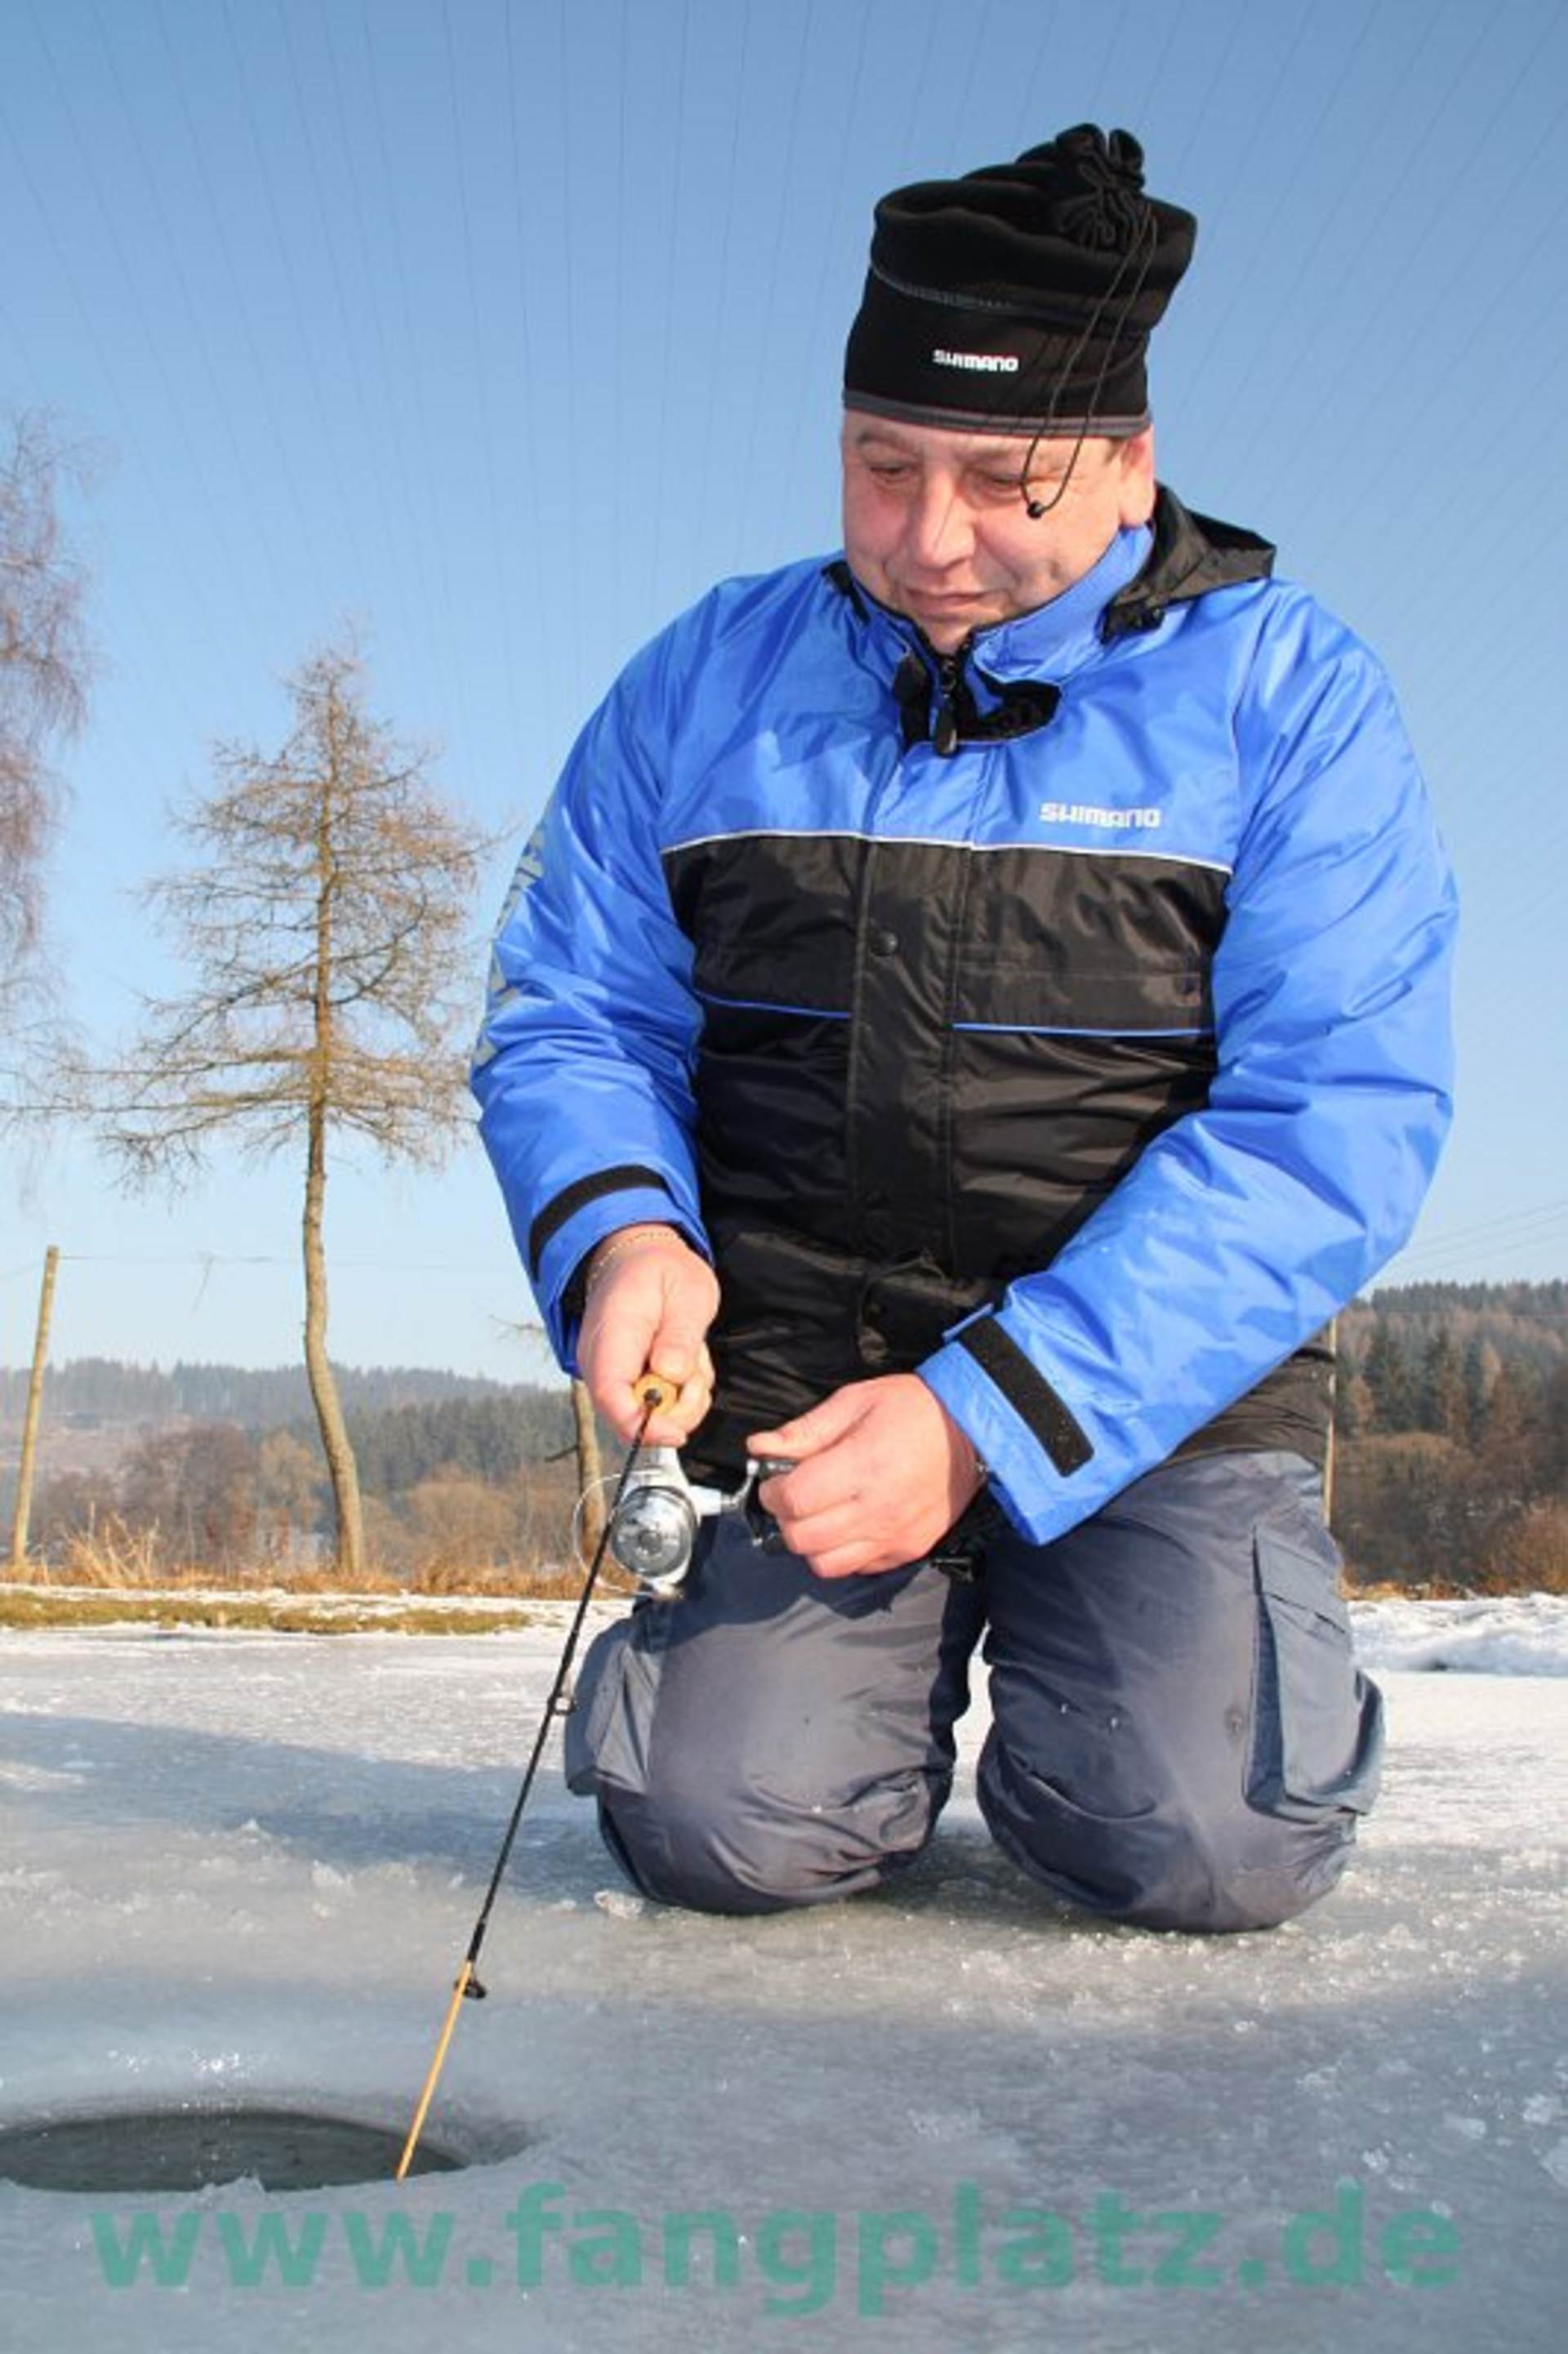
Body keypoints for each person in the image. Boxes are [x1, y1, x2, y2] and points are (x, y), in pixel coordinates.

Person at [470, 125, 1457, 1934]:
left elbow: (1337, 1120)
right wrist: (625, 1229)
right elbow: (575, 1007)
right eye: (882, 464)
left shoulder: (1291, 697)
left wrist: (990, 1416)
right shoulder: (709, 676)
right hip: (801, 1371)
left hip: (1155, 1399)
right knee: (720, 1828)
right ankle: (815, 1694)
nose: (933, 541)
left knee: (1197, 1842)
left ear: (1134, 460)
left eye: (1008, 479)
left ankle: (1155, 1659)